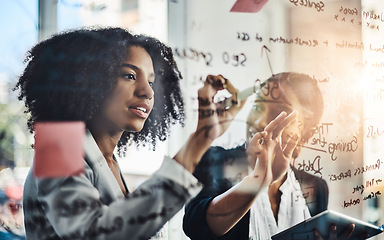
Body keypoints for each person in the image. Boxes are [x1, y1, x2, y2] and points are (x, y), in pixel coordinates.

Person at [14, 27, 295, 240]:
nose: (147, 92)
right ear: (86, 81)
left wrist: (256, 174)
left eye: (150, 81)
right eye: (128, 75)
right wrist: (201, 139)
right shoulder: (57, 149)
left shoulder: (106, 162)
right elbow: (100, 232)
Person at [183, 72, 345, 240]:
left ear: (306, 134)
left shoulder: (315, 188)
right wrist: (257, 182)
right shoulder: (215, 161)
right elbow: (196, 226)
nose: (259, 121)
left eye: (280, 112)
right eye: (257, 107)